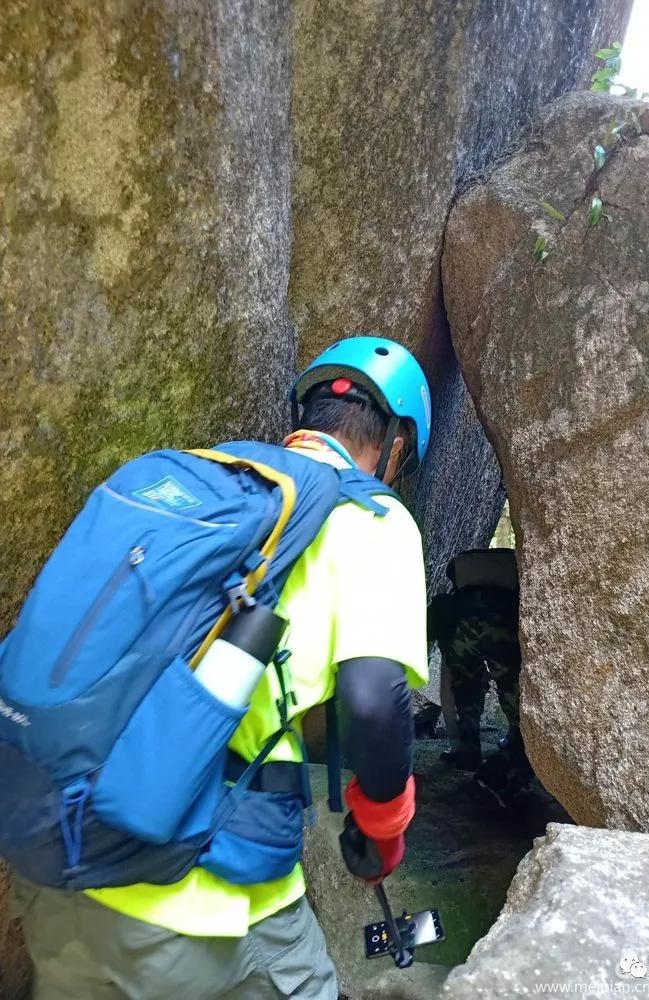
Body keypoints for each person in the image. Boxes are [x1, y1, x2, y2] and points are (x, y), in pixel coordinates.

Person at [14, 335, 431, 1000]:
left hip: (65, 874)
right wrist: (382, 833)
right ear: (399, 443)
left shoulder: (188, 480)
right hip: (213, 908)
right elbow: (374, 698)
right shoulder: (372, 521)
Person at [431, 548, 537, 802]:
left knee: (466, 689)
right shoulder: (509, 572)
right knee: (512, 688)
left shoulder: (461, 586)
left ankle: (468, 753)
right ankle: (521, 746)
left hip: (462, 626)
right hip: (503, 625)